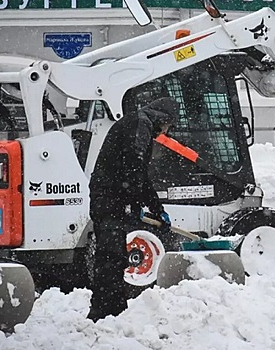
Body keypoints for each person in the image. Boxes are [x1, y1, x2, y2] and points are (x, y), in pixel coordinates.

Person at [87, 96, 179, 321]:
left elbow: (141, 175)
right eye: (168, 126)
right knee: (110, 256)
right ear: (163, 118)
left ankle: (115, 310)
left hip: (109, 196)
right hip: (108, 197)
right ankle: (101, 312)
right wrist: (134, 203)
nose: (165, 132)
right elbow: (134, 165)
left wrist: (156, 209)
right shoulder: (141, 123)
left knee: (115, 255)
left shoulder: (138, 122)